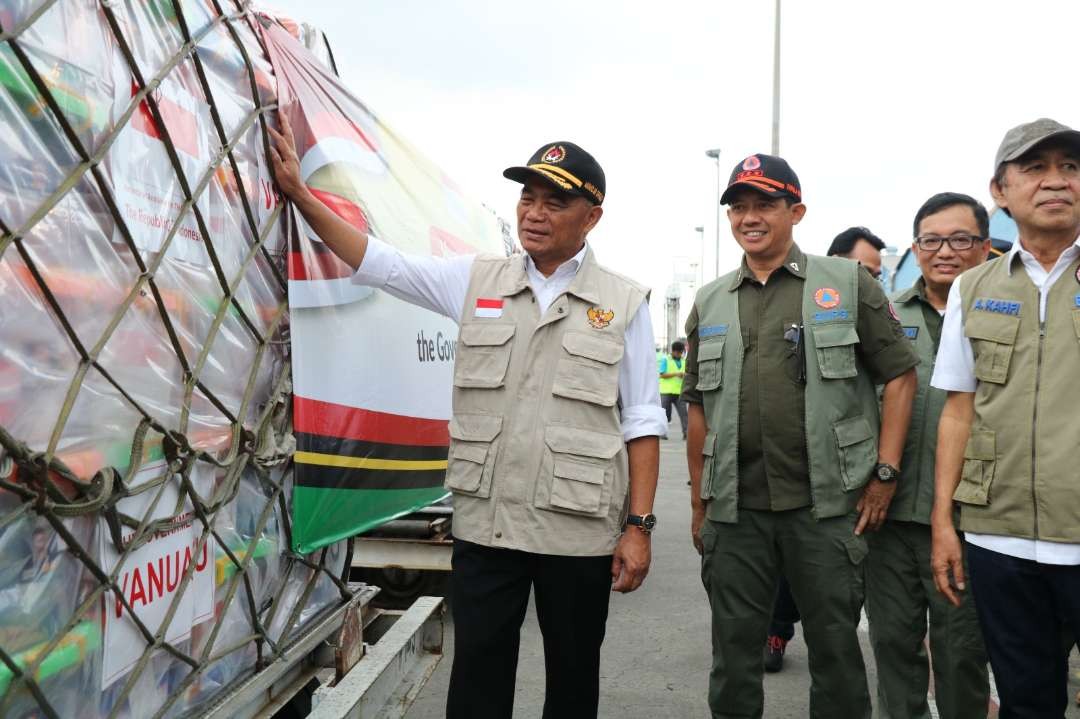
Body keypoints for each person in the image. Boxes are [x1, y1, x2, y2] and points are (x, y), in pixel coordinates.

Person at [269, 120, 665, 719]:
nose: (534, 212)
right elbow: (382, 264)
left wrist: (638, 526)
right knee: (477, 679)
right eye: (527, 197)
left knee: (573, 678)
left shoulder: (623, 304)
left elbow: (640, 421)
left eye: (554, 201)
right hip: (489, 527)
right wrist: (301, 195)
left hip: (577, 531)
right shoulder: (476, 280)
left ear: (592, 215)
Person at [684, 153, 918, 718]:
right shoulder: (711, 299)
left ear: (797, 211)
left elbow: (901, 375)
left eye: (765, 204)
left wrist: (884, 474)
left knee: (837, 654)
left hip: (828, 508)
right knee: (733, 659)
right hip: (737, 512)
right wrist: (699, 503)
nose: (749, 217)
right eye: (738, 207)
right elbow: (697, 407)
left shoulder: (846, 283)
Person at [931, 118, 1080, 717]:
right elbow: (958, 409)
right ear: (1000, 189)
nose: (1056, 181)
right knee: (1026, 701)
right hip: (999, 537)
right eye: (1036, 168)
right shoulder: (973, 286)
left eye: (1069, 167)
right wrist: (945, 523)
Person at [866, 192, 991, 719]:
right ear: (916, 249)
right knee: (894, 646)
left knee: (962, 652)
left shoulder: (1003, 311)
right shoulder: (884, 313)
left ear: (984, 247)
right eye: (932, 240)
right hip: (888, 518)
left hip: (970, 517)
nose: (946, 251)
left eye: (961, 239)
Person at [763, 222, 891, 672]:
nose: (869, 280)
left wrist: (884, 471)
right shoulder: (805, 305)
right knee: (795, 567)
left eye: (877, 273)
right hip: (819, 475)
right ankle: (777, 629)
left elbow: (897, 379)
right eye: (862, 269)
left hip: (871, 466)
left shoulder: (877, 312)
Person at [658, 340, 688, 439]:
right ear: (673, 351)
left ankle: (686, 433)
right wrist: (676, 374)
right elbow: (661, 374)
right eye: (678, 352)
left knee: (684, 414)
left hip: (679, 392)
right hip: (666, 392)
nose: (680, 354)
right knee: (665, 415)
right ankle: (662, 433)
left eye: (681, 352)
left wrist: (685, 375)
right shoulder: (665, 359)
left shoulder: (684, 361)